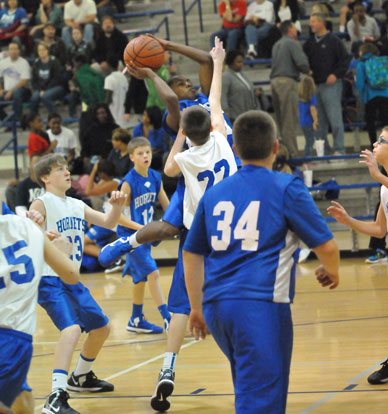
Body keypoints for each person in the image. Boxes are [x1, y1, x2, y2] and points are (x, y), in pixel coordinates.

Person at [183, 109, 340, 414]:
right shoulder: (286, 186)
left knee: (256, 388)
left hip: (217, 308)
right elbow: (328, 247)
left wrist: (196, 308)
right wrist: (331, 272)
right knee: (260, 400)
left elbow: (191, 253)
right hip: (258, 305)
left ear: (236, 149)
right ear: (276, 147)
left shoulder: (215, 193)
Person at [29, 153, 126, 414]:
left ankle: (80, 377)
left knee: (102, 327)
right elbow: (29, 236)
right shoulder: (41, 203)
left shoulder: (75, 204)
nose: (66, 172)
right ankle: (56, 396)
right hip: (49, 279)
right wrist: (45, 237)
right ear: (45, 178)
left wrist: (116, 205)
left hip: (72, 278)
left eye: (66, 168)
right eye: (59, 169)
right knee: (71, 331)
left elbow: (108, 222)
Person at [0, 209, 80, 414]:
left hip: (12, 340)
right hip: (14, 340)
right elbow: (71, 273)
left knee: (19, 398)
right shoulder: (29, 230)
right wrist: (60, 250)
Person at [327, 126, 388, 385]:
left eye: (382, 140)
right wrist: (349, 220)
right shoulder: (385, 188)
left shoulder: (384, 182)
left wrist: (378, 175)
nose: (375, 143)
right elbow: (379, 229)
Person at [114, 137, 171, 334]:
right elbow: (117, 217)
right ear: (131, 157)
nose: (145, 156)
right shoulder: (128, 183)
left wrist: (175, 223)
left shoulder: (155, 177)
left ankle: (136, 319)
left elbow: (166, 204)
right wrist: (142, 229)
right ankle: (167, 318)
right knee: (153, 273)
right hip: (130, 236)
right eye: (140, 153)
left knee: (140, 279)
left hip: (145, 235)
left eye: (147, 152)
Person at [303, 13, 350, 155]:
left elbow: (345, 60)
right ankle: (325, 150)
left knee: (335, 119)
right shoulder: (309, 43)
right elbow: (304, 62)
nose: (310, 24)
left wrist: (336, 75)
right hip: (315, 86)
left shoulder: (334, 41)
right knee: (319, 122)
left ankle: (340, 150)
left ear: (321, 22)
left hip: (331, 86)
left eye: (313, 21)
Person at [270, 20, 310, 157]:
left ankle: (283, 151)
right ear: (290, 30)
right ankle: (291, 153)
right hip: (287, 81)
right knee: (289, 120)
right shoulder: (292, 43)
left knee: (280, 120)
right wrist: (309, 71)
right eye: (294, 27)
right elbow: (302, 63)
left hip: (274, 81)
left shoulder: (276, 44)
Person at [355, 42, 388, 147]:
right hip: (385, 96)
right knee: (386, 123)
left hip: (370, 97)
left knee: (371, 123)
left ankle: (374, 146)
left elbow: (360, 84)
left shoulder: (361, 64)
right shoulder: (383, 61)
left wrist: (363, 95)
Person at [221, 49, 261, 124]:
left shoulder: (242, 74)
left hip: (248, 113)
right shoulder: (226, 76)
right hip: (235, 116)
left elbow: (248, 87)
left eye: (242, 62)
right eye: (238, 62)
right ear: (231, 62)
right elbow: (223, 96)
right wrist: (225, 113)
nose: (241, 64)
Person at [30, 41, 64, 114]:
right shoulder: (36, 63)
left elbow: (56, 78)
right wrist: (40, 90)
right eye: (39, 50)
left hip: (55, 87)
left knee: (45, 96)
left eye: (43, 50)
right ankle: (34, 118)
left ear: (47, 50)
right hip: (41, 89)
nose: (41, 52)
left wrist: (45, 90)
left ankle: (54, 116)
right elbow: (34, 80)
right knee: (34, 98)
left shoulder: (54, 61)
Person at [0, 41, 31, 122]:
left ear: (19, 50)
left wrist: (11, 91)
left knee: (16, 93)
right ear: (8, 51)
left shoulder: (24, 62)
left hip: (23, 90)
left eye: (15, 49)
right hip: (7, 92)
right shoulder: (3, 63)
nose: (13, 51)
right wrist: (0, 89)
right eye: (11, 49)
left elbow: (24, 81)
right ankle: (9, 122)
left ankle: (18, 120)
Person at [133, 106, 168, 170]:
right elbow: (134, 144)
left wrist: (152, 132)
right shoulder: (138, 128)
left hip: (157, 156)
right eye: (143, 115)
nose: (143, 118)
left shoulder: (161, 130)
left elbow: (156, 146)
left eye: (146, 116)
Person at [104, 55, 130, 128]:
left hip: (115, 114)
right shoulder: (123, 77)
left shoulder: (109, 79)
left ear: (108, 65)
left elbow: (109, 99)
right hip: (124, 114)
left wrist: (103, 107)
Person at [298, 75, 318, 156]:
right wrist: (315, 121)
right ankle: (307, 158)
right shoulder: (312, 97)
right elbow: (312, 109)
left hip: (302, 122)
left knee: (308, 140)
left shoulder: (300, 99)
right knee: (310, 141)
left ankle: (307, 157)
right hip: (309, 122)